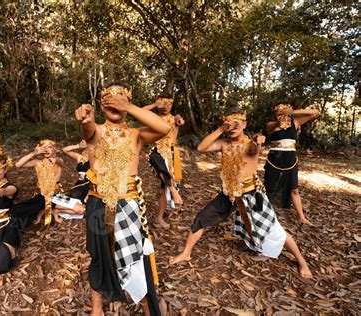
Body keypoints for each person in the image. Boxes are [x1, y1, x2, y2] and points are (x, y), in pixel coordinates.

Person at [169, 108, 312, 279]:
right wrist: (222, 129)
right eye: (230, 122)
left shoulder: (250, 143)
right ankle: (186, 253)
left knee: (274, 230)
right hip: (228, 194)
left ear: (245, 124)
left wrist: (259, 141)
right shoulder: (223, 144)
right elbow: (201, 147)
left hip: (251, 195)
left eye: (238, 122)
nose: (233, 125)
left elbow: (254, 148)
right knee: (200, 219)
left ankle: (302, 262)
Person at [75, 81, 170, 316]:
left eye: (120, 96)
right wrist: (85, 119)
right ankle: (97, 307)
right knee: (98, 255)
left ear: (126, 100)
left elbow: (164, 128)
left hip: (127, 204)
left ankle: (147, 307)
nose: (114, 100)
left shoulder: (137, 135)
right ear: (101, 103)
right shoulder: (95, 131)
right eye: (109, 97)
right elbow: (86, 128)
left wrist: (129, 107)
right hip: (98, 203)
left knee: (135, 259)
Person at [264, 103, 319, 226]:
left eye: (283, 112)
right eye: (277, 112)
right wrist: (281, 119)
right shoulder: (271, 125)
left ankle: (301, 217)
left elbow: (315, 112)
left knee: (294, 189)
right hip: (274, 161)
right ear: (274, 114)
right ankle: (266, 215)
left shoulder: (295, 123)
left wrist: (293, 112)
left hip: (290, 160)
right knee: (269, 188)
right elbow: (278, 124)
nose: (280, 114)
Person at [15, 140, 85, 226]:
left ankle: (54, 210)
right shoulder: (38, 163)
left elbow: (59, 161)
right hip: (43, 196)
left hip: (56, 196)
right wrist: (34, 152)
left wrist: (54, 159)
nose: (46, 149)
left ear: (55, 150)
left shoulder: (59, 161)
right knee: (22, 210)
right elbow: (18, 165)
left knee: (81, 210)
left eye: (50, 147)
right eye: (44, 147)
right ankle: (43, 209)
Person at [143, 95, 184, 229]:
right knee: (158, 162)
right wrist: (155, 105)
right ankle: (174, 191)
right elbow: (141, 111)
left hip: (170, 154)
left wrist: (178, 120)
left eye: (169, 104)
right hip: (156, 151)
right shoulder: (154, 118)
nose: (166, 107)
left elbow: (179, 122)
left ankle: (160, 217)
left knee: (163, 187)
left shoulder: (175, 119)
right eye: (163, 104)